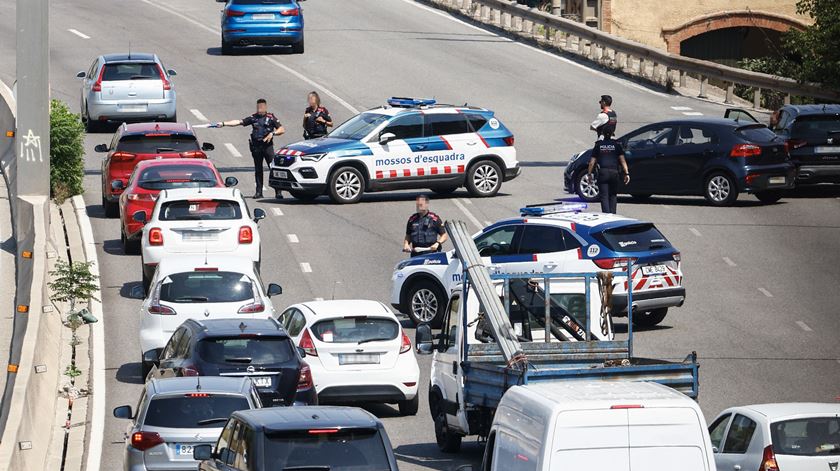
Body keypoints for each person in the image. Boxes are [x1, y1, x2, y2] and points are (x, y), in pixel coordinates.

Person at [216, 98, 285, 199]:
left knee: (273, 169)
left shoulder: (271, 117)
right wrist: (223, 123)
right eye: (258, 107)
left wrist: (272, 133)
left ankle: (278, 192)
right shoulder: (253, 118)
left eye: (261, 107)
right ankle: (259, 192)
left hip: (267, 147)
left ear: (265, 107)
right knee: (258, 170)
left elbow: (282, 129)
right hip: (256, 147)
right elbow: (239, 122)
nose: (259, 109)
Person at [587, 129, 630, 214]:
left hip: (603, 173)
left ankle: (606, 216)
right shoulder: (616, 145)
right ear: (612, 134)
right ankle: (613, 215)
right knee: (613, 195)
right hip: (614, 172)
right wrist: (626, 173)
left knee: (604, 196)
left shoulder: (598, 145)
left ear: (603, 134)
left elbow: (592, 162)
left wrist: (589, 174)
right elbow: (623, 161)